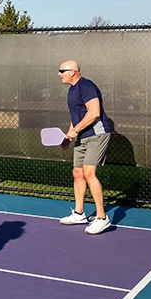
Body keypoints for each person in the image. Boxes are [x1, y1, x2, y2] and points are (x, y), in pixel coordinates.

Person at [57, 60, 114, 235]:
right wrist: (68, 135)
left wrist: (76, 130)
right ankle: (79, 213)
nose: (59, 74)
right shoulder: (71, 91)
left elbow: (94, 112)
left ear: (73, 72)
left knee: (89, 173)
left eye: (62, 70)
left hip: (97, 134)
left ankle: (102, 218)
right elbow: (76, 117)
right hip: (82, 136)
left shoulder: (87, 86)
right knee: (77, 173)